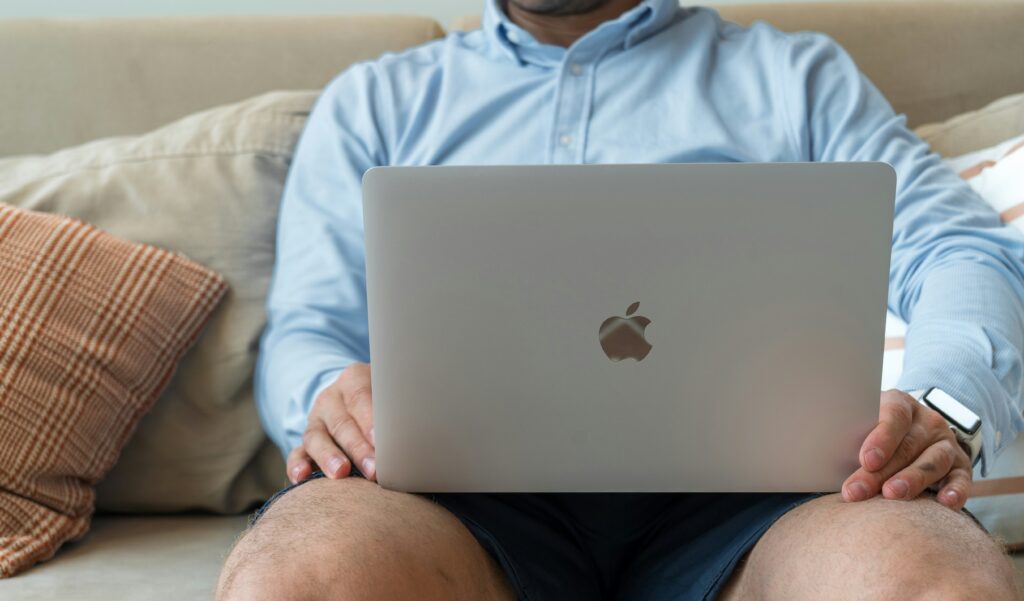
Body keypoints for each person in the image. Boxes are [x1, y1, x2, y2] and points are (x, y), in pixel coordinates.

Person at [218, 1, 1024, 598]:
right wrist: (330, 394)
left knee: (935, 583)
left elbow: (956, 247)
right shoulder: (374, 102)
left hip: (767, 497)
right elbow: (309, 327)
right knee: (295, 581)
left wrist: (943, 408)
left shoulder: (795, 76)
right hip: (446, 495)